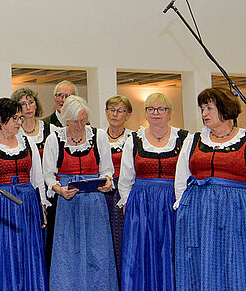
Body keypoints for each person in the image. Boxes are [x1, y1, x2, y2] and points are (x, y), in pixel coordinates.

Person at [0, 98, 48, 291]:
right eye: (14, 118)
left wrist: (42, 209)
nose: (19, 122)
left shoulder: (28, 143)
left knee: (29, 254)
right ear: (0, 119)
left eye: (20, 118)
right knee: (3, 256)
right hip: (0, 208)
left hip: (27, 206)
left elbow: (37, 179)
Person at [42, 95, 117, 291]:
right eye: (75, 121)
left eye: (83, 120)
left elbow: (107, 170)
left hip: (94, 202)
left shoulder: (98, 136)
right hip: (68, 201)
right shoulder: (54, 139)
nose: (80, 124)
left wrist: (108, 182)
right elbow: (48, 176)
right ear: (65, 119)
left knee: (98, 253)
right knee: (67, 253)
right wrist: (59, 190)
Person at [174, 87, 246, 290]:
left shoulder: (244, 139)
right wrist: (183, 208)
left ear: (225, 109)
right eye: (202, 109)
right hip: (199, 213)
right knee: (199, 263)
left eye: (209, 108)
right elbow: (182, 178)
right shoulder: (194, 140)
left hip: (236, 214)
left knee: (234, 262)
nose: (204, 114)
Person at [118, 93, 188, 291]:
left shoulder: (184, 138)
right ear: (146, 113)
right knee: (140, 254)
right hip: (141, 204)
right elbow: (126, 178)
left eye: (161, 109)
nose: (156, 113)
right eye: (151, 109)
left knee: (170, 253)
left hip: (172, 203)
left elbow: (187, 175)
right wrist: (126, 204)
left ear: (169, 113)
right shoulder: (134, 140)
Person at [11, 87, 57, 272]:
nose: (28, 107)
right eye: (23, 104)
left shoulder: (51, 130)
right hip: (27, 189)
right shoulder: (14, 131)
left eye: (31, 102)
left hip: (51, 190)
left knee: (48, 238)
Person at [103, 95, 133, 286]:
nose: (115, 114)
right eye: (111, 109)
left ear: (128, 115)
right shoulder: (97, 137)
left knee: (123, 240)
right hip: (103, 194)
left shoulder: (133, 137)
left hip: (123, 194)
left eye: (120, 110)